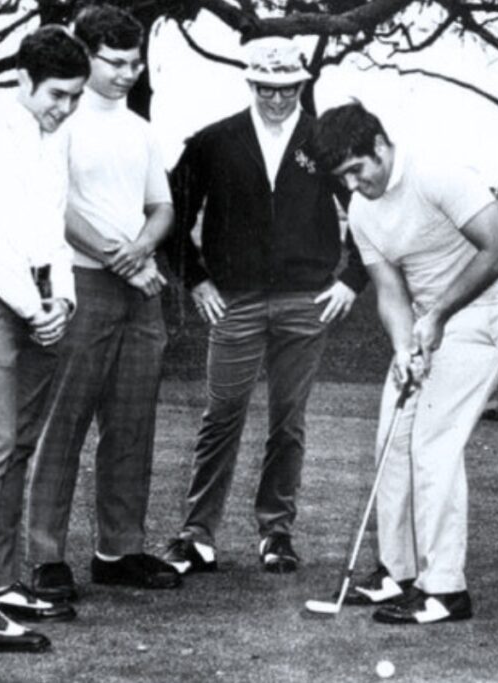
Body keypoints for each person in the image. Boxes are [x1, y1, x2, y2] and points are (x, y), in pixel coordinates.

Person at [307, 102, 498, 624]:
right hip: (429, 326)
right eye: (342, 179)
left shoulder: (438, 175)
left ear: (380, 145)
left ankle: (445, 589)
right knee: (393, 437)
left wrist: (439, 315)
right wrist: (405, 347)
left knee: (433, 444)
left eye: (357, 170)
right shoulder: (363, 211)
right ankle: (398, 572)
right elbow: (389, 291)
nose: (353, 185)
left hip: (486, 318)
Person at [161, 36, 367, 575]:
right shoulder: (214, 141)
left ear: (301, 84)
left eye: (288, 89)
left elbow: (370, 208)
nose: (277, 99)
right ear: (250, 83)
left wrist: (352, 280)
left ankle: (276, 532)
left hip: (306, 301)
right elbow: (171, 213)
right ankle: (197, 535)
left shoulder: (322, 141)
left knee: (288, 422)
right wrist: (196, 280)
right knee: (221, 416)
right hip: (235, 301)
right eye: (266, 89)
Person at [23, 5, 179, 605]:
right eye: (114, 62)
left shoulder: (140, 129)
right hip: (81, 285)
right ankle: (45, 557)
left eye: (135, 63)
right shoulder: (61, 121)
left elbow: (160, 207)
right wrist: (123, 259)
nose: (126, 74)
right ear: (85, 55)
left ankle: (118, 551)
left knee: (132, 422)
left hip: (140, 291)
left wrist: (142, 249)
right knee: (64, 423)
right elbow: (56, 208)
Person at [0, 26, 89, 653]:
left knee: (17, 444)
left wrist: (62, 298)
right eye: (56, 94)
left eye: (75, 97)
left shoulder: (55, 136)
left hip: (35, 299)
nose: (65, 108)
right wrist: (35, 306)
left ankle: (2, 583)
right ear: (24, 79)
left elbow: (50, 228)